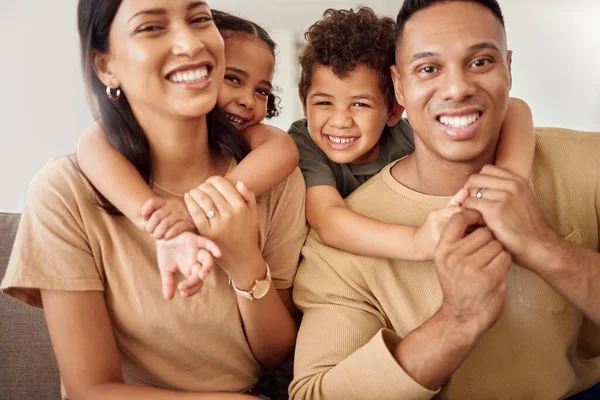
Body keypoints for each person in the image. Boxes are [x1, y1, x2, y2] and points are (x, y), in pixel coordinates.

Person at [290, 1, 600, 399]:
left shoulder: (589, 164)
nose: (457, 89)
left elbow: (517, 113)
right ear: (400, 85)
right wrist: (456, 322)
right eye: (428, 68)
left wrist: (545, 247)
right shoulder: (337, 250)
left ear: (508, 68)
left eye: (480, 62)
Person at [1, 1, 307, 399]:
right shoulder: (66, 190)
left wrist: (243, 260)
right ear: (105, 66)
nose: (190, 42)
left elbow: (276, 352)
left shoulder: (274, 181)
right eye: (151, 27)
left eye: (199, 19)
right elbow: (89, 390)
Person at [75, 10, 299, 296]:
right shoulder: (112, 141)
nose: (247, 101)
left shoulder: (244, 135)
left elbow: (283, 148)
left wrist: (201, 207)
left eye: (262, 91)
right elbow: (92, 143)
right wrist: (162, 222)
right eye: (233, 79)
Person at [288, 7, 535, 262]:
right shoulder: (303, 143)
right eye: (324, 103)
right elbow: (327, 219)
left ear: (394, 110)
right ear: (304, 104)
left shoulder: (406, 138)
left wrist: (509, 181)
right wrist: (418, 242)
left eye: (360, 104)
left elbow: (515, 108)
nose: (340, 121)